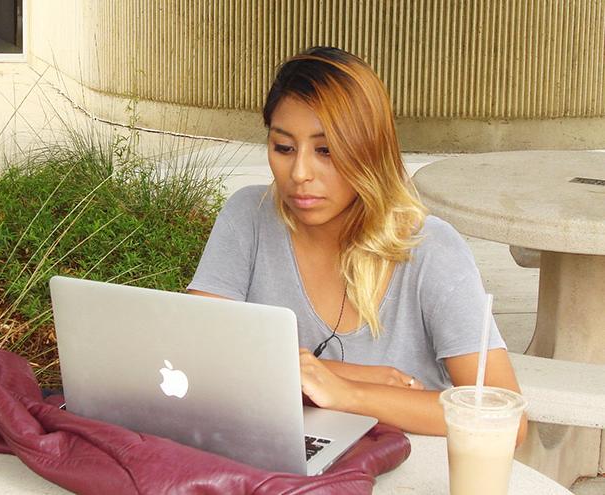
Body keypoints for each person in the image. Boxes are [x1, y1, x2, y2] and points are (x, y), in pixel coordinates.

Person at [187, 46, 527, 443]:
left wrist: (347, 393)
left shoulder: (430, 250)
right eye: (284, 148)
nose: (300, 173)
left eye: (326, 151)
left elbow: (506, 419)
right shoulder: (249, 215)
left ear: (369, 150)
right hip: (275, 457)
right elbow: (197, 354)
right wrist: (346, 373)